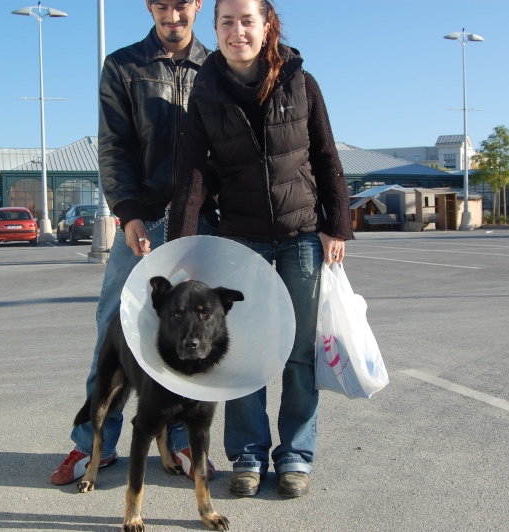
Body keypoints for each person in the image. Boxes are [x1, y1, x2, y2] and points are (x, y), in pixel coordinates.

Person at [166, 0, 354, 499]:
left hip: (301, 236)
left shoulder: (301, 83)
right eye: (226, 21)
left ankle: (295, 455)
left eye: (247, 20)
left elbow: (326, 155)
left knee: (298, 353)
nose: (236, 31)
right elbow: (193, 175)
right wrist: (179, 249)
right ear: (217, 29)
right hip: (242, 239)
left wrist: (337, 225)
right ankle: (247, 456)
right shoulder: (205, 92)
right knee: (244, 350)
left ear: (266, 25)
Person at [50, 0, 220, 485]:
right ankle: (93, 443)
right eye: (162, 5)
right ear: (150, 7)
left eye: (181, 4)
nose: (173, 16)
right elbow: (114, 147)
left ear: (197, 5)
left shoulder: (217, 68)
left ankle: (185, 444)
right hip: (141, 221)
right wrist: (127, 213)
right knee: (114, 328)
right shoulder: (124, 67)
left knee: (195, 334)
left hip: (201, 223)